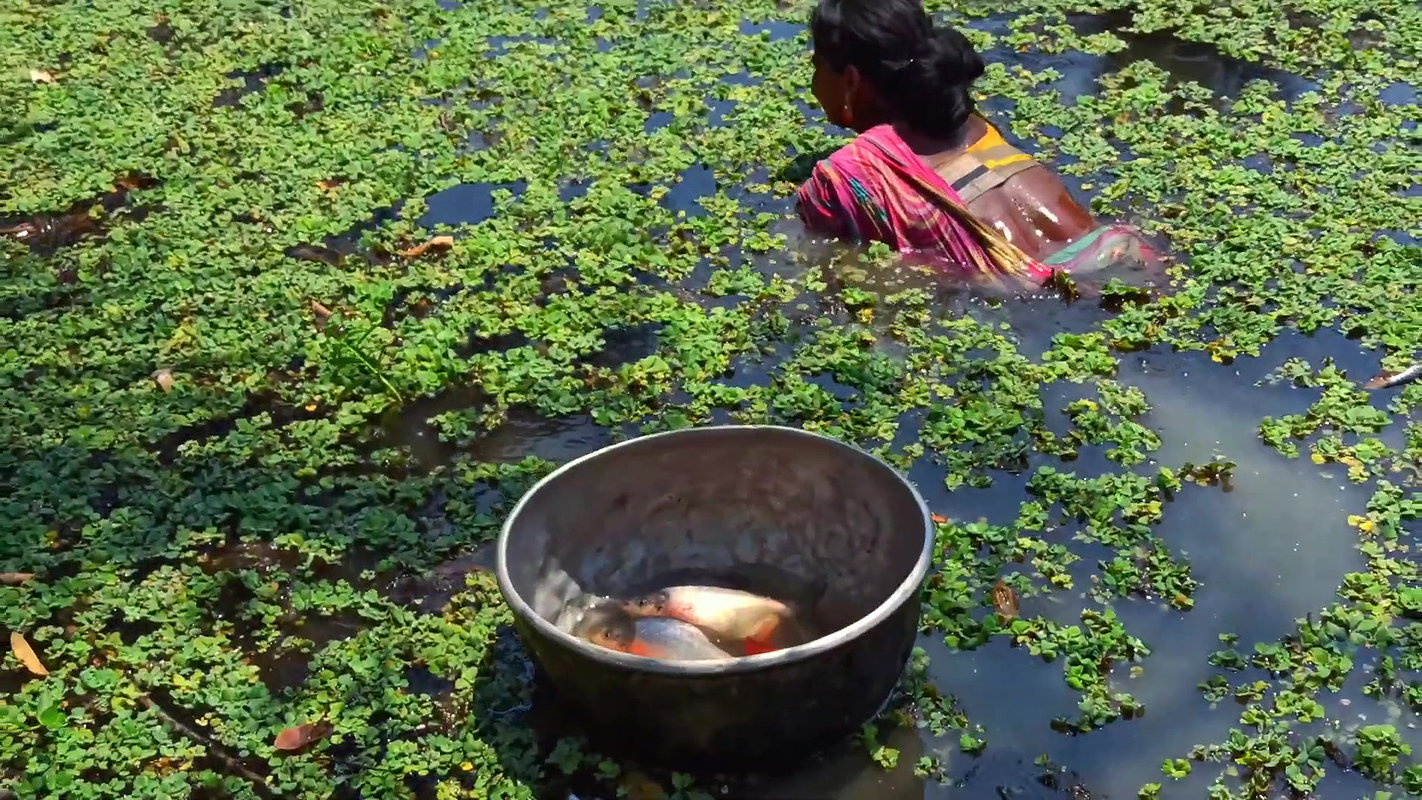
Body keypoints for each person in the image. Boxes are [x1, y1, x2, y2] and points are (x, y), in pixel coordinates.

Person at [796, 0, 1156, 287]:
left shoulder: (844, 176)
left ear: (851, 81)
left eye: (816, 66)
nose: (813, 82)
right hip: (1128, 256)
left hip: (1044, 295)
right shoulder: (974, 125)